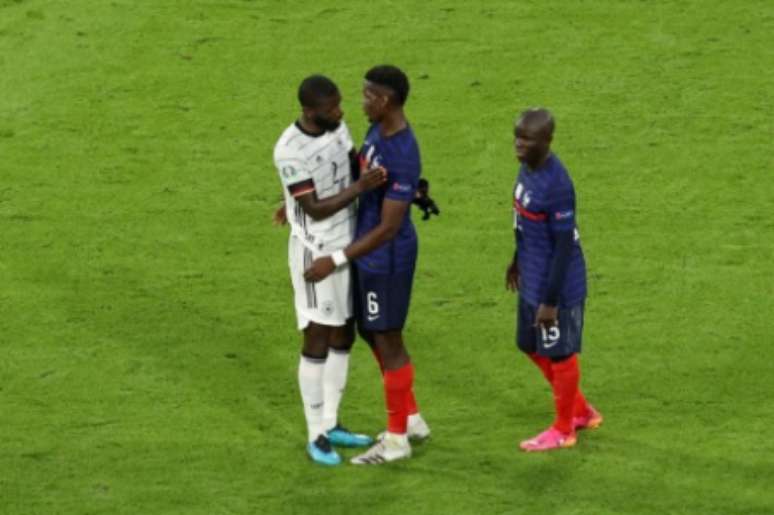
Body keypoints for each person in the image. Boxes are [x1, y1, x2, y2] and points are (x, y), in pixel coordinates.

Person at [305, 65, 429, 464]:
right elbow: (365, 180)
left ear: (386, 100)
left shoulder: (402, 151)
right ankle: (410, 420)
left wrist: (335, 259)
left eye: (368, 96)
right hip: (370, 254)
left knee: (388, 340)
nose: (362, 103)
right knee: (373, 334)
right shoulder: (378, 132)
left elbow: (390, 227)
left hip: (385, 259)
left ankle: (396, 441)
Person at [273, 74, 387, 466]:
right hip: (315, 254)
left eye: (339, 104)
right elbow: (316, 208)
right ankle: (315, 436)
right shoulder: (289, 150)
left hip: (347, 243)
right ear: (309, 112)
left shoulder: (337, 127)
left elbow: (350, 165)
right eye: (330, 108)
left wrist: (288, 199)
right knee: (317, 336)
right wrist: (362, 187)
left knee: (344, 332)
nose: (340, 112)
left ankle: (332, 421)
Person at [505, 108, 602, 452]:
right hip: (531, 274)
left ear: (547, 141)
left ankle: (565, 428)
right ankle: (581, 410)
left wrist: (550, 302)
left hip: (557, 285)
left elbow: (564, 247)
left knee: (560, 354)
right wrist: (516, 260)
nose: (518, 144)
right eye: (517, 136)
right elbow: (524, 221)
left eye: (527, 139)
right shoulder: (527, 169)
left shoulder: (557, 184)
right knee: (528, 344)